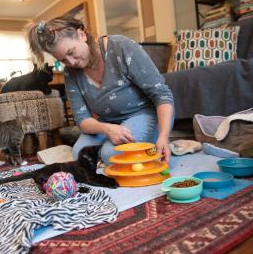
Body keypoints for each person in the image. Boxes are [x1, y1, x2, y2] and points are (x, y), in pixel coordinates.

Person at [27, 16, 174, 165]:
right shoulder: (70, 73)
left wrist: (163, 136)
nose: (71, 62)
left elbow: (162, 95)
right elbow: (82, 119)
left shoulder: (121, 47)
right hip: (108, 122)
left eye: (71, 52)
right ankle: (118, 152)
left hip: (144, 113)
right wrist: (107, 129)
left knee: (110, 154)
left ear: (81, 35)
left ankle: (148, 141)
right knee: (80, 154)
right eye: (63, 60)